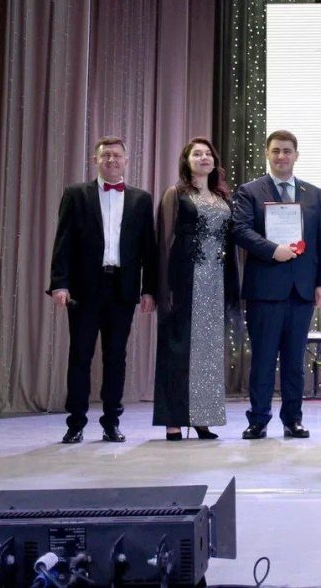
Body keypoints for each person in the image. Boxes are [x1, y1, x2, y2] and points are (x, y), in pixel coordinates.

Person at [47, 136, 157, 444]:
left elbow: (148, 249)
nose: (111, 160)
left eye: (117, 155)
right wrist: (59, 283)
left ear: (126, 161)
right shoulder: (76, 194)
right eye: (105, 155)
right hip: (84, 289)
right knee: (80, 356)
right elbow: (63, 242)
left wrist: (149, 289)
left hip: (122, 288)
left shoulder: (141, 199)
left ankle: (111, 422)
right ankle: (75, 423)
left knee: (116, 358)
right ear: (95, 160)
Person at [232, 130, 321, 440]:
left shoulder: (313, 193)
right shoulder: (249, 191)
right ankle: (258, 419)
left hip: (302, 291)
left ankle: (293, 419)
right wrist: (272, 250)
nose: (281, 156)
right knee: (262, 359)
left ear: (296, 155)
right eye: (275, 150)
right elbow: (240, 230)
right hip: (264, 290)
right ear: (267, 153)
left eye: (287, 151)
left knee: (294, 361)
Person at [152, 138, 241, 441]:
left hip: (215, 283)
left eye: (208, 154)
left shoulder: (222, 197)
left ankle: (202, 418)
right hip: (185, 282)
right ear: (187, 161)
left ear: (215, 162)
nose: (204, 158)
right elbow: (164, 243)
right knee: (176, 350)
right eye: (197, 154)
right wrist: (162, 288)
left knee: (207, 352)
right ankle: (174, 420)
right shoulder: (176, 194)